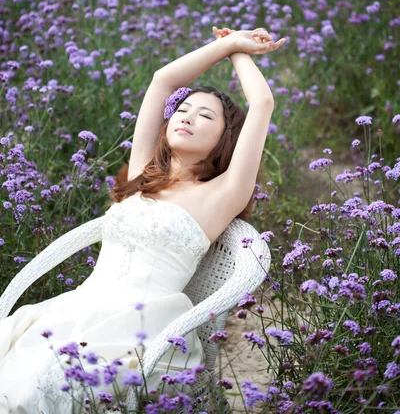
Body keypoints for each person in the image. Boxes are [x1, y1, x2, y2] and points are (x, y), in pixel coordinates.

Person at [0, 26, 285, 413]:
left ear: (225, 139)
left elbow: (262, 102)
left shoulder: (222, 195)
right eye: (182, 111)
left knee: (32, 392)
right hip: (76, 309)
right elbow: (162, 80)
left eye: (205, 116)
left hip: (139, 330)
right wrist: (223, 43)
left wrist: (238, 50)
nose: (186, 118)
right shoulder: (142, 176)